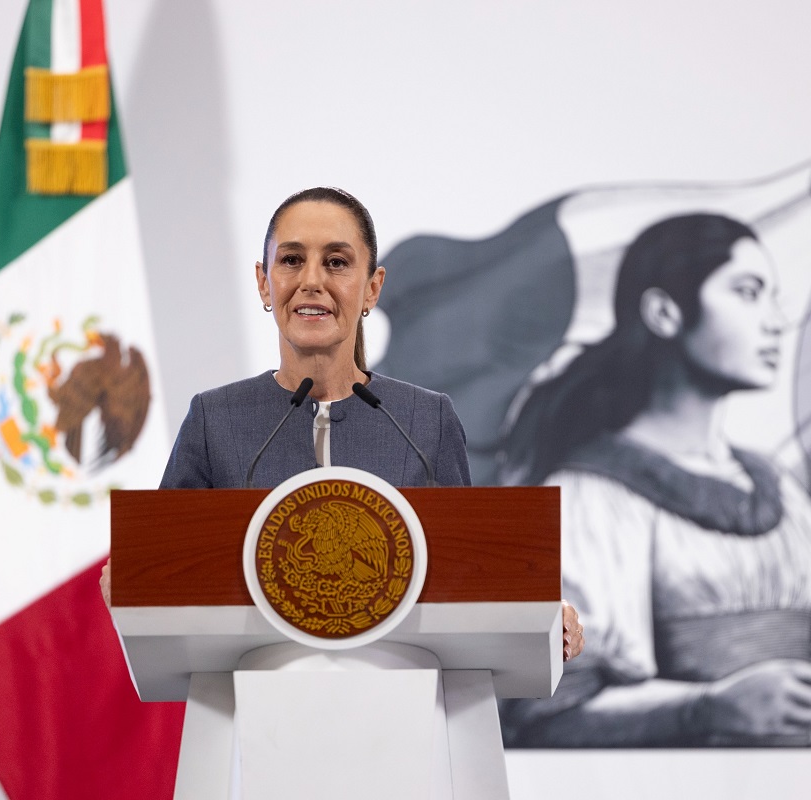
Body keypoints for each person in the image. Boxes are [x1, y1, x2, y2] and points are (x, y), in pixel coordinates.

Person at [496, 213, 811, 747]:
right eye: (747, 292)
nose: (776, 321)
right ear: (665, 313)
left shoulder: (777, 491)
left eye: (772, 298)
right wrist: (706, 708)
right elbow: (546, 716)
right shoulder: (587, 498)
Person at [102, 186, 585, 660]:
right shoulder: (216, 419)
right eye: (291, 260)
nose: (312, 280)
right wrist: (132, 582)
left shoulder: (424, 421)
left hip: (399, 697)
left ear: (372, 287)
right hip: (251, 697)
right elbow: (168, 570)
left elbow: (471, 575)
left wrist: (539, 613)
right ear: (264, 282)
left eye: (336, 262)